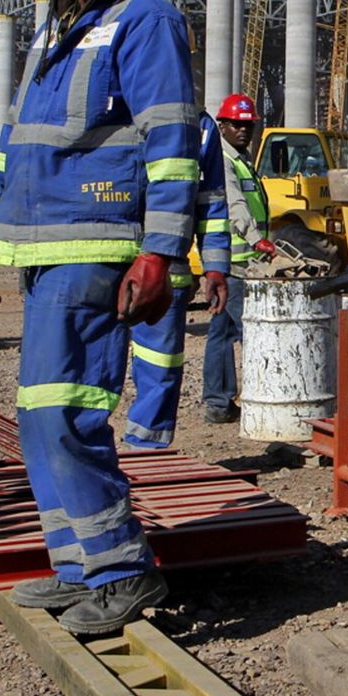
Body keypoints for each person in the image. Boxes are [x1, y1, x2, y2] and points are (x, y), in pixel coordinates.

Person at [0, 0, 199, 634]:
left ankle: (124, 570)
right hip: (40, 250)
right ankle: (79, 568)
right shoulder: (56, 24)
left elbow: (171, 141)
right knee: (38, 417)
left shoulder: (144, 20)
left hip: (96, 245)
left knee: (70, 415)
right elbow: (16, 144)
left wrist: (159, 250)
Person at [122, 110, 231, 448]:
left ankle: (148, 451)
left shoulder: (199, 124)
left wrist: (214, 266)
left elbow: (211, 202)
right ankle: (84, 462)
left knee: (160, 363)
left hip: (167, 270)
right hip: (102, 259)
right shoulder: (113, 107)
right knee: (91, 367)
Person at [203, 92, 275, 424]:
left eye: (248, 125)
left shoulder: (241, 158)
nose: (244, 130)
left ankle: (217, 403)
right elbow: (234, 206)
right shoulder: (224, 159)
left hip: (237, 261)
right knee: (253, 331)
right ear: (223, 126)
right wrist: (256, 239)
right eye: (237, 125)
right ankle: (267, 398)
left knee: (220, 332)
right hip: (234, 262)